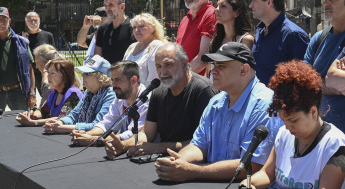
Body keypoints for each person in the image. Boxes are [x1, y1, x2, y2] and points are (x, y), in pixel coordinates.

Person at [154, 42, 282, 182]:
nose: (213, 71)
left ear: (244, 70)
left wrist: (193, 171)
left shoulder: (265, 104)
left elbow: (253, 166)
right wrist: (178, 162)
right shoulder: (216, 101)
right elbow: (198, 145)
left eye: (221, 66)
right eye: (214, 65)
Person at [240, 60, 345, 188]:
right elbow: (267, 174)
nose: (288, 127)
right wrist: (248, 184)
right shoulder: (284, 133)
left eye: (294, 120)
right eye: (283, 120)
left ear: (313, 111)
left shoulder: (335, 145)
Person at [105, 43, 217, 158]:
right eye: (158, 66)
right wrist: (123, 145)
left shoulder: (203, 91)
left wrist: (158, 147)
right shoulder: (158, 91)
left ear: (184, 64)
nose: (162, 72)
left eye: (168, 64)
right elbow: (147, 133)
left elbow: (204, 142)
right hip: (163, 160)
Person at [71, 61, 150, 147]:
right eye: (112, 80)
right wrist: (87, 134)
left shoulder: (147, 100)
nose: (113, 85)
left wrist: (94, 139)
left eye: (117, 80)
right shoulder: (120, 98)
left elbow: (133, 134)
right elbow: (106, 124)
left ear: (133, 80)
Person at [249, 0, 309, 85]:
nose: (250, 5)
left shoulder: (294, 35)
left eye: (254, 0)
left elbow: (303, 81)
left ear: (269, 2)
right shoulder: (259, 31)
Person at [304, 0, 345, 133]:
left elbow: (335, 79)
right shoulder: (318, 38)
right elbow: (304, 82)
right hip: (318, 134)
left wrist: (319, 83)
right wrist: (332, 85)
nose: (325, 4)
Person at [43, 55, 115, 133]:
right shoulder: (88, 92)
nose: (83, 75)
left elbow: (98, 126)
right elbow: (74, 115)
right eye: (83, 72)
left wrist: (62, 128)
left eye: (87, 74)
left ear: (101, 77)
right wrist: (61, 122)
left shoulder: (110, 94)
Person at [16, 58, 83, 126]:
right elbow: (43, 111)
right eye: (48, 73)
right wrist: (32, 115)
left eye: (52, 73)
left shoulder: (73, 94)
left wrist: (33, 122)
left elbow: (62, 119)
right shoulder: (55, 92)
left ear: (65, 76)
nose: (48, 76)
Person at [176, 0, 216, 75]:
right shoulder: (185, 19)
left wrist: (181, 77)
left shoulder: (211, 15)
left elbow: (204, 58)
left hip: (196, 84)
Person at [207, 0, 254, 78]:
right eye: (217, 6)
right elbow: (208, 71)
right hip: (213, 90)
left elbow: (244, 75)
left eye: (223, 6)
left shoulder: (245, 40)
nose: (216, 9)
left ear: (236, 13)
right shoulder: (215, 40)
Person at [0, 7, 36, 111]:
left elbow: (30, 69)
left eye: (4, 19)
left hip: (17, 91)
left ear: (9, 21)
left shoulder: (21, 42)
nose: (1, 22)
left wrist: (32, 93)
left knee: (21, 122)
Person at [123, 13, 165, 87]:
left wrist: (141, 96)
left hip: (146, 95)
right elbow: (122, 71)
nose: (137, 30)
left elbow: (153, 79)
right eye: (134, 27)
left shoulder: (157, 46)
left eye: (141, 26)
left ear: (152, 28)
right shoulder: (131, 47)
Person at [94, 0, 136, 65]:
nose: (107, 9)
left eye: (111, 5)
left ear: (122, 7)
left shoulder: (133, 28)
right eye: (105, 5)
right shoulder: (102, 28)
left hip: (125, 74)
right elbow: (97, 57)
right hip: (105, 74)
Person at [22, 11, 55, 97]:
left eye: (35, 20)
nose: (33, 22)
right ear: (26, 22)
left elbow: (53, 54)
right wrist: (24, 41)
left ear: (39, 21)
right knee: (30, 100)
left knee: (47, 97)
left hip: (43, 72)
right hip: (28, 73)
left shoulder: (48, 35)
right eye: (30, 20)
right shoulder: (22, 37)